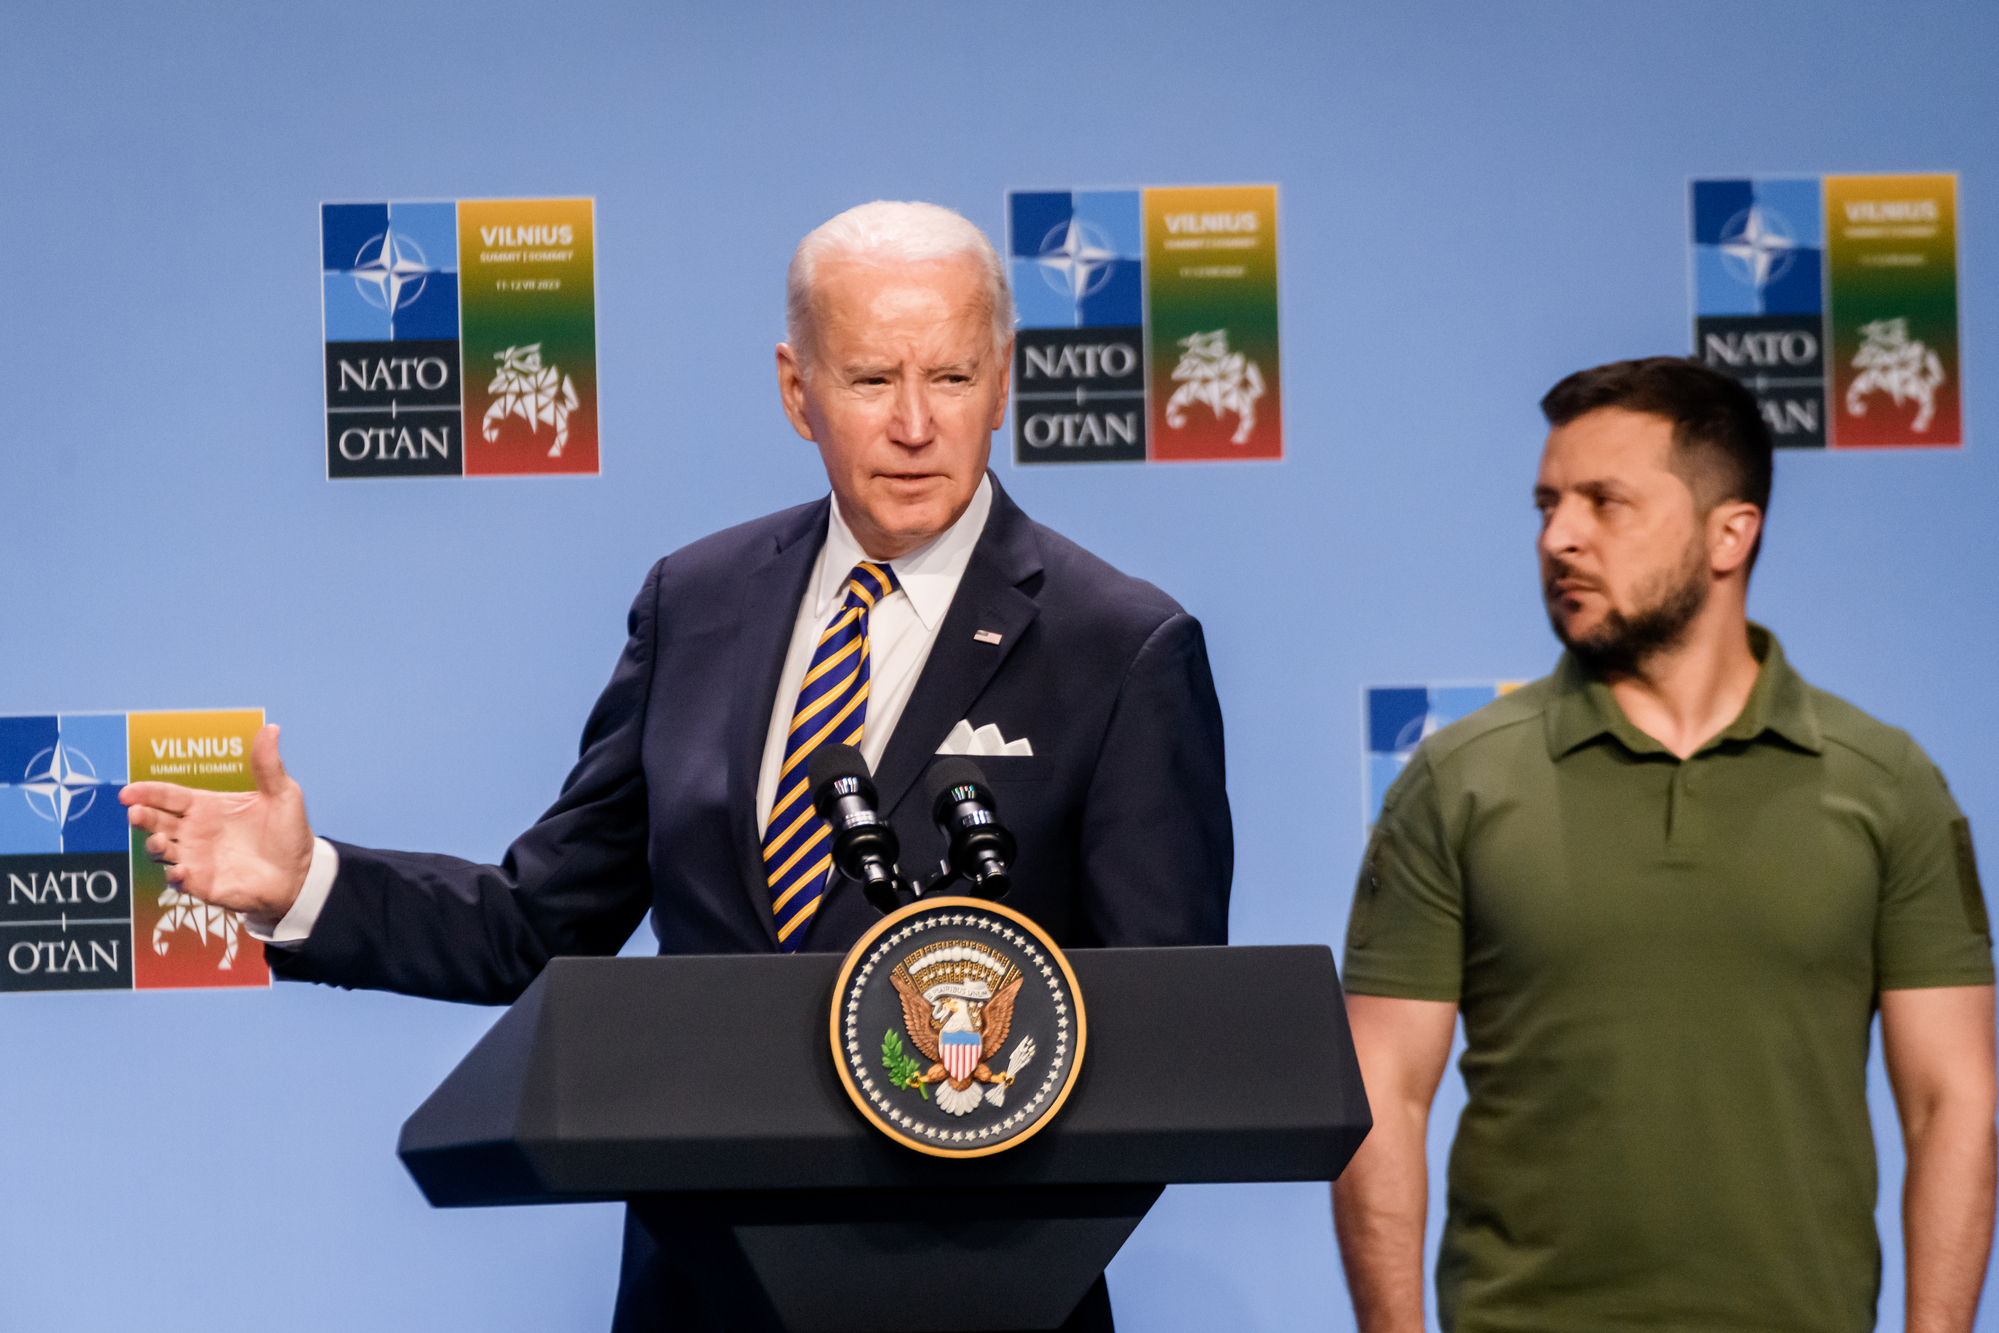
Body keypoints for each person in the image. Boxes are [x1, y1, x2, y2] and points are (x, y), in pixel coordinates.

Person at [120, 201, 1232, 1331]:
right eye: (868, 380)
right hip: (697, 1289)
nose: (914, 425)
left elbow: (1158, 1033)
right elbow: (541, 920)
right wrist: (309, 882)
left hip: (986, 1291)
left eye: (950, 377)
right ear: (796, 390)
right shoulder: (694, 601)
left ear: (1003, 381)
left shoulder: (1121, 647)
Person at [1332, 357, 1995, 1333]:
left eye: (1605, 502)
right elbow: (1379, 1095)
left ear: (1730, 532)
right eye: (1547, 504)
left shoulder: (1884, 784)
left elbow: (1951, 1103)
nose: (1559, 536)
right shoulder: (1454, 781)